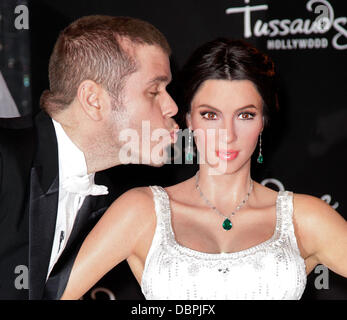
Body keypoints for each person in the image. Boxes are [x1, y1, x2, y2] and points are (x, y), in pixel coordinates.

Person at [60, 38, 347, 300]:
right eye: (210, 115)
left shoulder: (304, 218)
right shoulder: (141, 211)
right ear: (188, 119)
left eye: (245, 115)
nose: (228, 134)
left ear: (263, 122)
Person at [0, 15, 178, 300]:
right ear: (94, 100)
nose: (171, 106)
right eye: (154, 91)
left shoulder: (113, 201)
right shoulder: (5, 159)